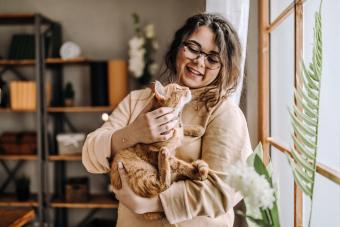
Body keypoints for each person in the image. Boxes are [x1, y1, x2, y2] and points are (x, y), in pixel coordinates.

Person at [82, 13, 252, 227]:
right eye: (193, 48)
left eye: (212, 58)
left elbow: (225, 188)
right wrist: (133, 133)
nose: (199, 61)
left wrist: (153, 203)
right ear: (178, 48)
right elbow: (89, 156)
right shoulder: (139, 100)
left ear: (223, 68)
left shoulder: (224, 113)